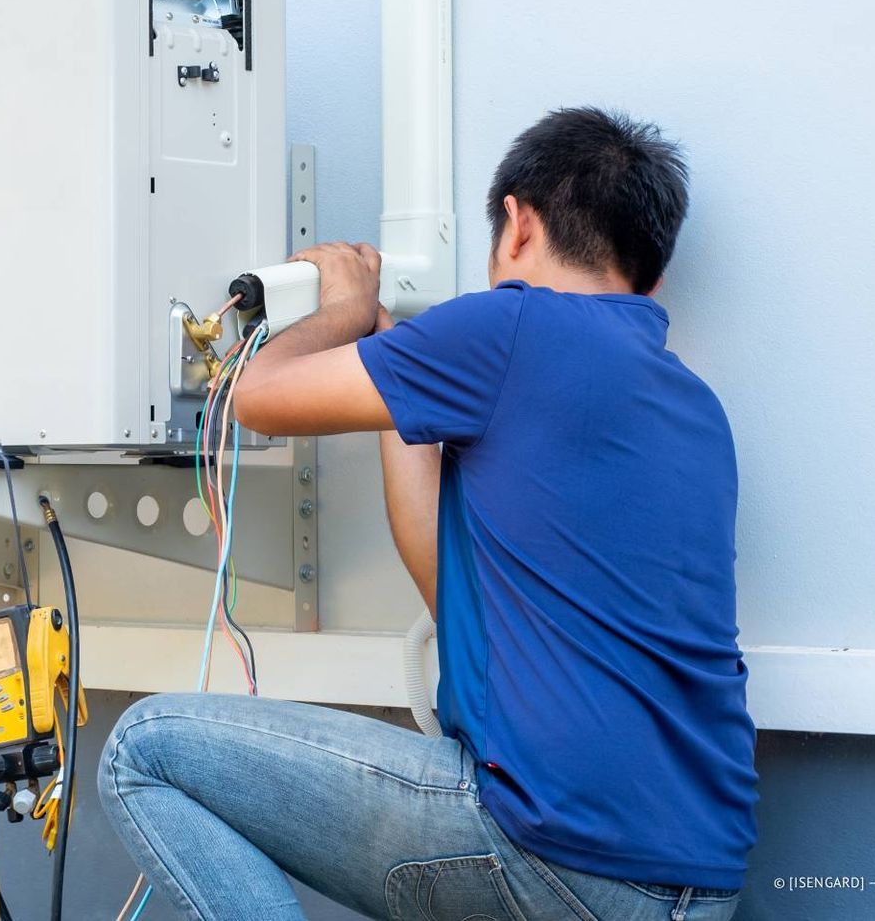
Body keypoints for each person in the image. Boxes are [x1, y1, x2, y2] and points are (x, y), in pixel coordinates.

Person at [99, 108, 757, 921]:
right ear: (652, 277)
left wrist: (341, 306)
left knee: (143, 750)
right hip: (693, 884)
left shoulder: (509, 327)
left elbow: (254, 397)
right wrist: (392, 368)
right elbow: (452, 586)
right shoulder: (695, 412)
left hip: (548, 854)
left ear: (516, 223)